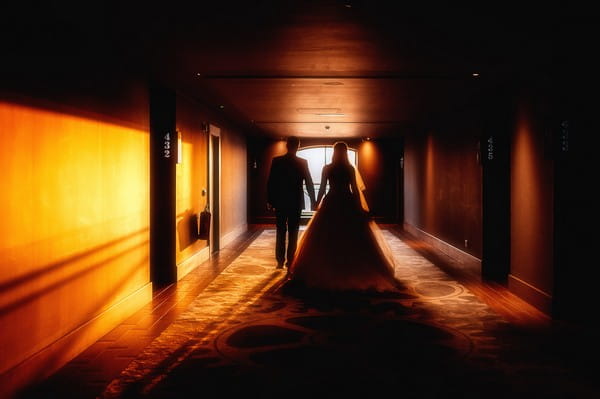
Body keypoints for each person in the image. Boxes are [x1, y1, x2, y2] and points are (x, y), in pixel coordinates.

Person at [287, 141, 400, 292]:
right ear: (345, 152)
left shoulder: (327, 168)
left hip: (332, 201)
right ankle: (353, 268)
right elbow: (354, 189)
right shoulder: (349, 169)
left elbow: (322, 187)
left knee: (328, 236)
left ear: (334, 152)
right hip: (347, 201)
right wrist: (360, 208)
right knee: (352, 236)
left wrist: (316, 203)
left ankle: (327, 268)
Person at [267, 136, 316, 269]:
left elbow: (272, 182)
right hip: (295, 202)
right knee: (293, 231)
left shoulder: (277, 161)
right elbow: (309, 182)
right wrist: (313, 200)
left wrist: (270, 200)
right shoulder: (302, 162)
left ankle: (279, 261)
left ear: (287, 145)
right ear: (298, 146)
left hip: (280, 201)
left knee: (280, 230)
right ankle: (290, 260)